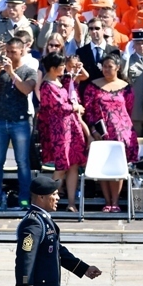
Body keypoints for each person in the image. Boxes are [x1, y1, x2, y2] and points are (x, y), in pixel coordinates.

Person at [0, 37, 37, 211]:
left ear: (22, 51)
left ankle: (24, 199)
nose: (9, 55)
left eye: (13, 52)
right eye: (7, 51)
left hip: (20, 122)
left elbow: (26, 89)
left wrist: (12, 72)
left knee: (23, 162)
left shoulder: (29, 71)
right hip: (0, 120)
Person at [83, 53, 137, 214]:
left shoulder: (126, 87)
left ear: (118, 68)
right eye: (104, 67)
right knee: (103, 166)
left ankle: (115, 202)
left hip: (122, 134)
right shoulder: (93, 86)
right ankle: (107, 201)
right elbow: (88, 110)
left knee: (117, 167)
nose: (106, 70)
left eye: (110, 67)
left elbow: (129, 109)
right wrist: (93, 130)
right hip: (101, 133)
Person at [38, 52, 88, 213]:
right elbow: (58, 106)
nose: (64, 68)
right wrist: (76, 107)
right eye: (61, 66)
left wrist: (77, 69)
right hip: (59, 130)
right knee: (61, 166)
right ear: (53, 68)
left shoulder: (59, 81)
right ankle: (46, 202)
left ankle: (71, 203)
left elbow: (82, 77)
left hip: (70, 126)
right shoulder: (46, 86)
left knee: (73, 165)